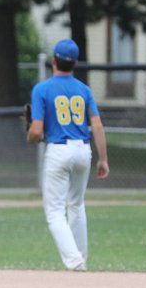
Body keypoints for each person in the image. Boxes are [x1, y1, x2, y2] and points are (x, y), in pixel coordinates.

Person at [27, 38, 110, 272]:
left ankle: (74, 260)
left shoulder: (42, 89)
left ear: (53, 60)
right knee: (77, 205)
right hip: (83, 149)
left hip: (59, 149)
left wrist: (31, 136)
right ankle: (80, 259)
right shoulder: (84, 90)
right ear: (74, 63)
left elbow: (36, 131)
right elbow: (97, 125)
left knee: (54, 211)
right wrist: (103, 159)